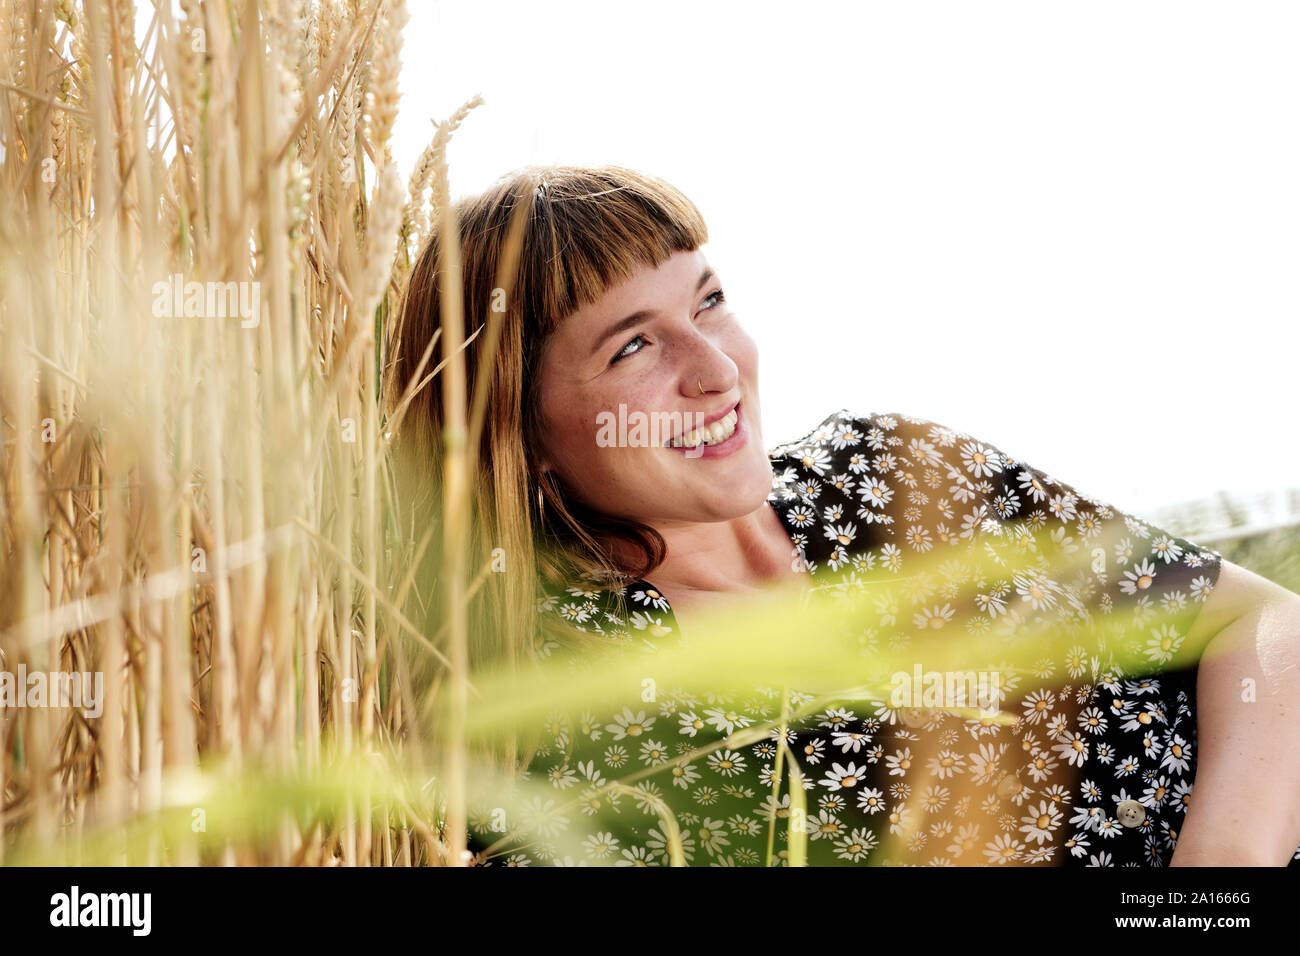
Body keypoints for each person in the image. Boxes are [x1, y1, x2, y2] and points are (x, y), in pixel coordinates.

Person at [382, 164, 1300, 867]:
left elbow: (1263, 626)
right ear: (516, 428)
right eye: (633, 346)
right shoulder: (552, 697)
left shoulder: (891, 471)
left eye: (708, 301)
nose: (716, 368)